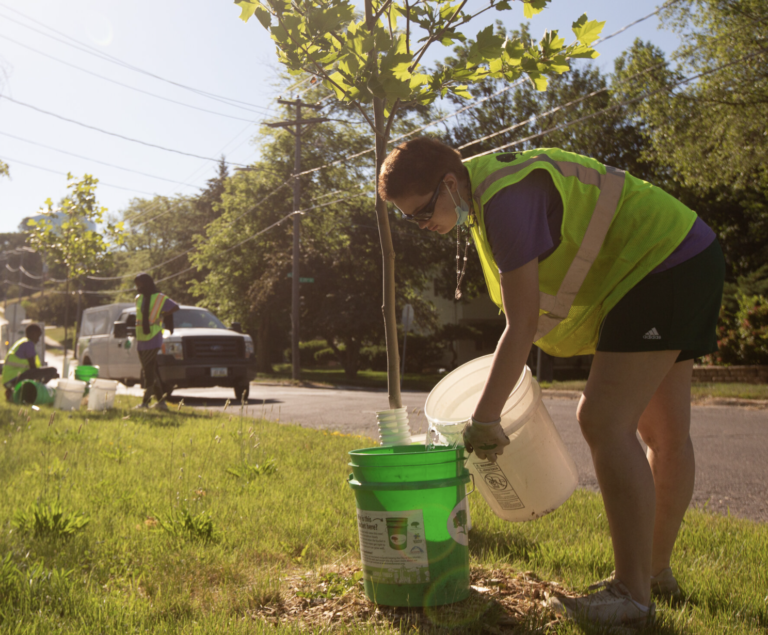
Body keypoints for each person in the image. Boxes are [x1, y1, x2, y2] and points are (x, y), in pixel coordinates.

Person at [378, 138, 724, 631]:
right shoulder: (481, 194)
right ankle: (655, 575)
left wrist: (484, 419)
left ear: (448, 184)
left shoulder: (505, 201)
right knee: (664, 433)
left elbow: (521, 325)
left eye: (420, 213)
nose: (421, 226)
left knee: (603, 418)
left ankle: (632, 593)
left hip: (661, 263)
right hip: (683, 253)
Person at [134, 273, 179, 410]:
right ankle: (161, 403)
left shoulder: (159, 297)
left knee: (148, 371)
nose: (137, 287)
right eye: (136, 285)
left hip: (153, 337)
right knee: (151, 371)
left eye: (139, 284)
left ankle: (145, 403)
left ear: (146, 283)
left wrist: (162, 315)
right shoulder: (138, 298)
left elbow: (175, 307)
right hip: (141, 337)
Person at [2, 323, 58, 401]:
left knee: (49, 372)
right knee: (52, 370)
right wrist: (50, 374)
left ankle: (15, 392)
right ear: (32, 334)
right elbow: (33, 369)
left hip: (9, 379)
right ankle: (35, 391)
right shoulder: (28, 344)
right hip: (14, 378)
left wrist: (47, 374)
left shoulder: (23, 342)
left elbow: (33, 370)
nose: (38, 340)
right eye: (38, 336)